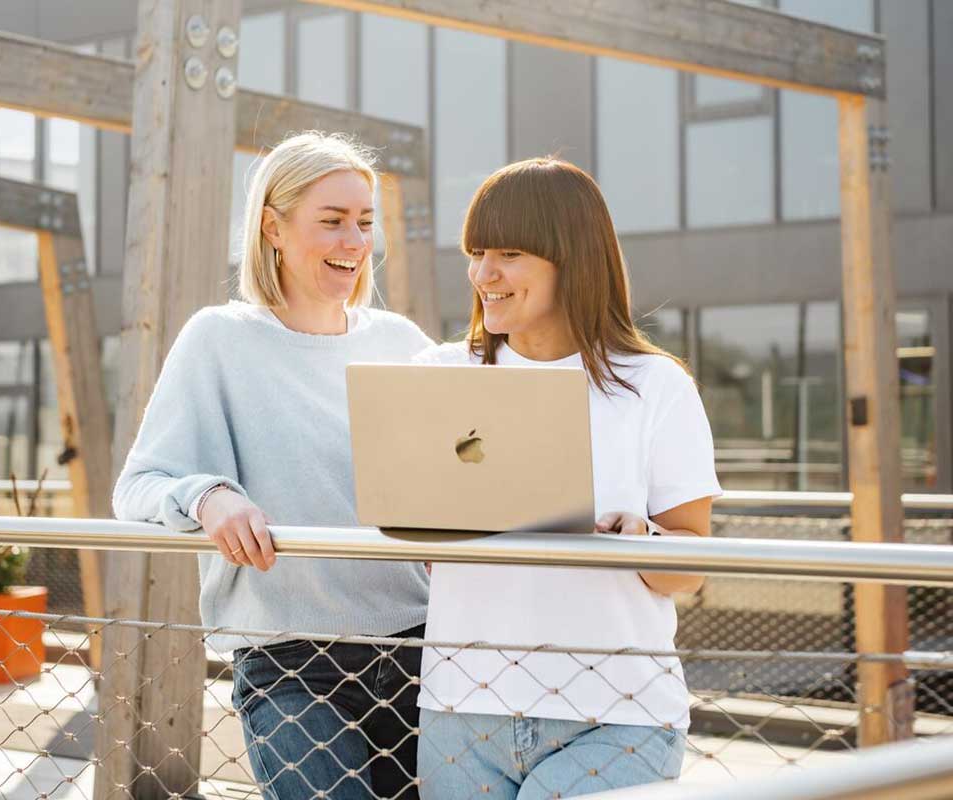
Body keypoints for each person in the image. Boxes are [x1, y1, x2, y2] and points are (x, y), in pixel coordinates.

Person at [113, 132, 432, 800]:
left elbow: (472, 471)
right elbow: (139, 486)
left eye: (365, 224)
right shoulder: (219, 340)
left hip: (423, 654)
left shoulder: (402, 344)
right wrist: (209, 498)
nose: (354, 240)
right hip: (291, 664)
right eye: (333, 221)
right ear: (274, 227)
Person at [414, 157, 722, 799]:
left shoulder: (655, 386)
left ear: (572, 259)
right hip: (461, 714)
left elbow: (688, 567)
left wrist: (640, 540)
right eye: (476, 252)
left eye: (510, 252)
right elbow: (412, 543)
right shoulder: (436, 375)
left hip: (618, 716)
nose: (483, 274)